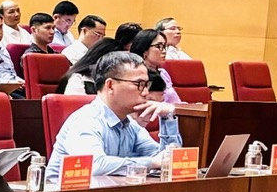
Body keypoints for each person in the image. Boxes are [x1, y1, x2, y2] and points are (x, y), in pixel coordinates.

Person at [45, 50, 183, 184]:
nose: (146, 92)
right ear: (110, 85)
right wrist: (151, 163)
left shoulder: (130, 124)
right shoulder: (86, 120)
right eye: (139, 84)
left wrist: (167, 118)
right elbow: (94, 165)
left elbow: (166, 159)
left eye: (146, 85)